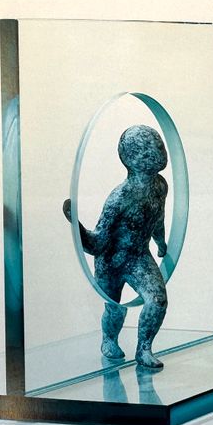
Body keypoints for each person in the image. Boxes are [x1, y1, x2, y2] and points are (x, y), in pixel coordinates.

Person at [63, 125, 168, 368]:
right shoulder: (119, 198)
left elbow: (157, 218)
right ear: (131, 159)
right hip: (111, 261)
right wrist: (76, 226)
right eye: (148, 148)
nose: (158, 151)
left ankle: (144, 349)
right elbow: (97, 243)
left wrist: (161, 242)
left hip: (139, 256)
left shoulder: (160, 186)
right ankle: (109, 339)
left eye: (159, 144)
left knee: (157, 300)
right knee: (116, 309)